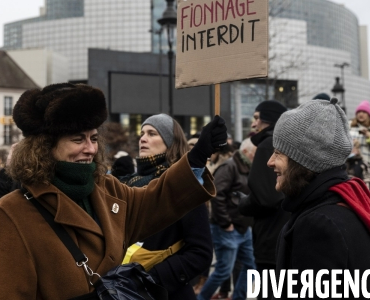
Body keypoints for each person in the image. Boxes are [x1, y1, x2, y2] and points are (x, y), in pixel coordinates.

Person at [0, 83, 226, 300]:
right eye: (78, 139)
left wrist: (195, 158)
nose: (90, 149)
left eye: (94, 138)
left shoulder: (105, 188)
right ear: (44, 147)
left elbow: (155, 201)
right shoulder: (12, 213)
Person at [268, 99, 370, 299]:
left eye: (278, 153)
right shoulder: (350, 204)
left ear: (303, 162)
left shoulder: (317, 224)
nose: (270, 162)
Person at [120, 114, 212, 300]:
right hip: (123, 287)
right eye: (142, 133)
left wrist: (151, 279)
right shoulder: (128, 183)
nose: (143, 138)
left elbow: (200, 252)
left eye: (152, 133)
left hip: (166, 293)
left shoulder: (184, 185)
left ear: (171, 143)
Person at [238, 100, 289, 292]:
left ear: (271, 119)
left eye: (257, 118)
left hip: (270, 238)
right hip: (284, 236)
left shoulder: (269, 144)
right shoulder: (287, 145)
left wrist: (243, 203)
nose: (253, 124)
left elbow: (267, 196)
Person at [199, 138, 256, 300]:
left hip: (243, 227)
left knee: (251, 267)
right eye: (254, 154)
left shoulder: (247, 167)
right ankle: (201, 298)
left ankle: (238, 297)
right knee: (223, 270)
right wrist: (226, 223)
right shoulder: (230, 167)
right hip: (228, 228)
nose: (257, 157)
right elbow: (217, 196)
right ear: (245, 153)